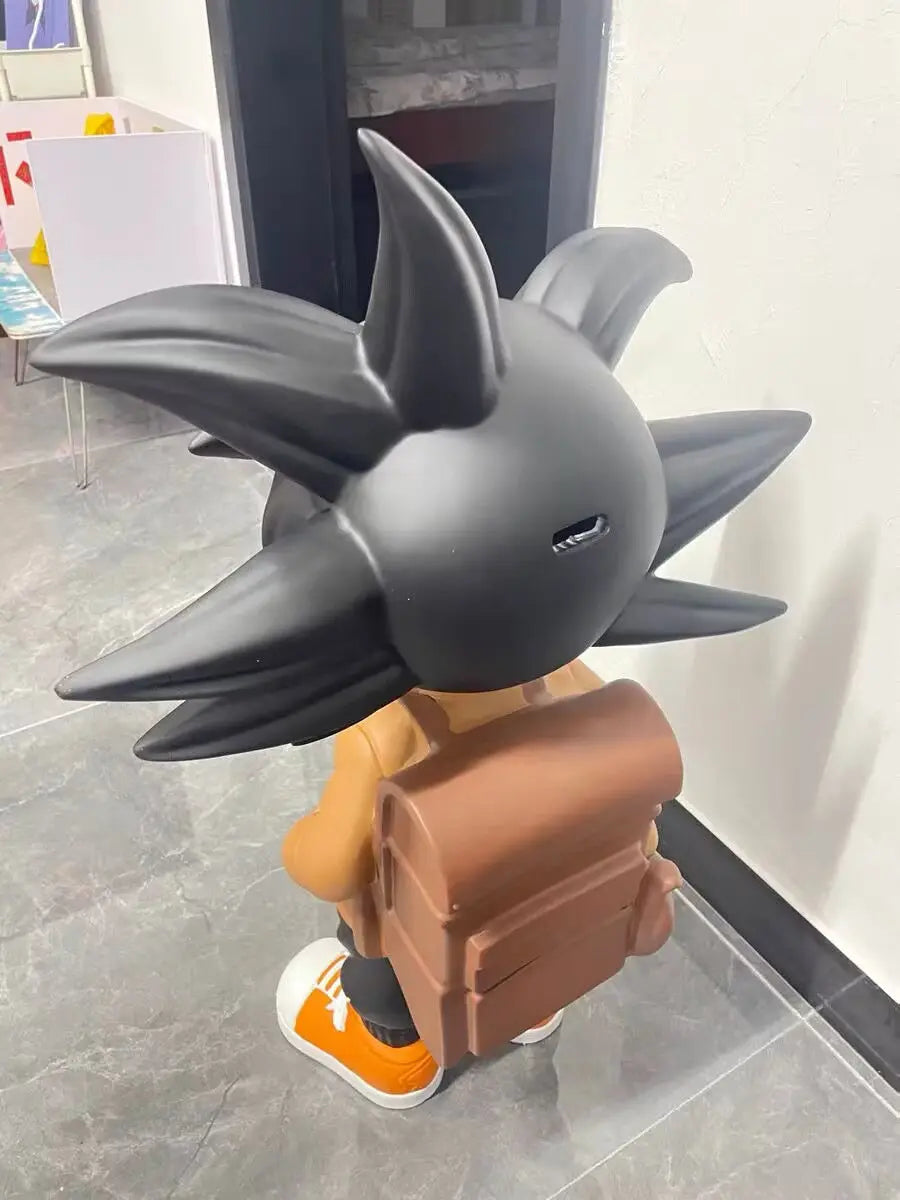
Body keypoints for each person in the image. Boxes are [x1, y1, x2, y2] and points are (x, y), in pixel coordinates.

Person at [33, 130, 810, 1109]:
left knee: (376, 961)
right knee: (524, 933)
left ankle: (394, 1048)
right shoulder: (576, 679)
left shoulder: (386, 737)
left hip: (435, 931)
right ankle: (533, 1003)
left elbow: (328, 862)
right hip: (548, 912)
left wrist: (308, 843)